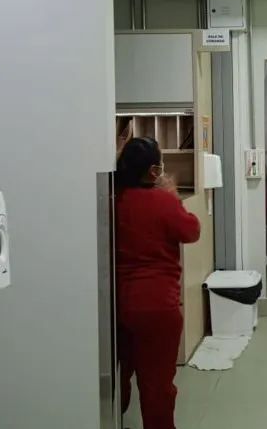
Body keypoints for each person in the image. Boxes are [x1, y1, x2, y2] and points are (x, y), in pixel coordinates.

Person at [115, 137, 201, 429]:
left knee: (117, 378)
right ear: (153, 171)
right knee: (157, 386)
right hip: (156, 306)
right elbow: (191, 231)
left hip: (115, 303)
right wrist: (172, 195)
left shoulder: (111, 199)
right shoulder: (161, 201)